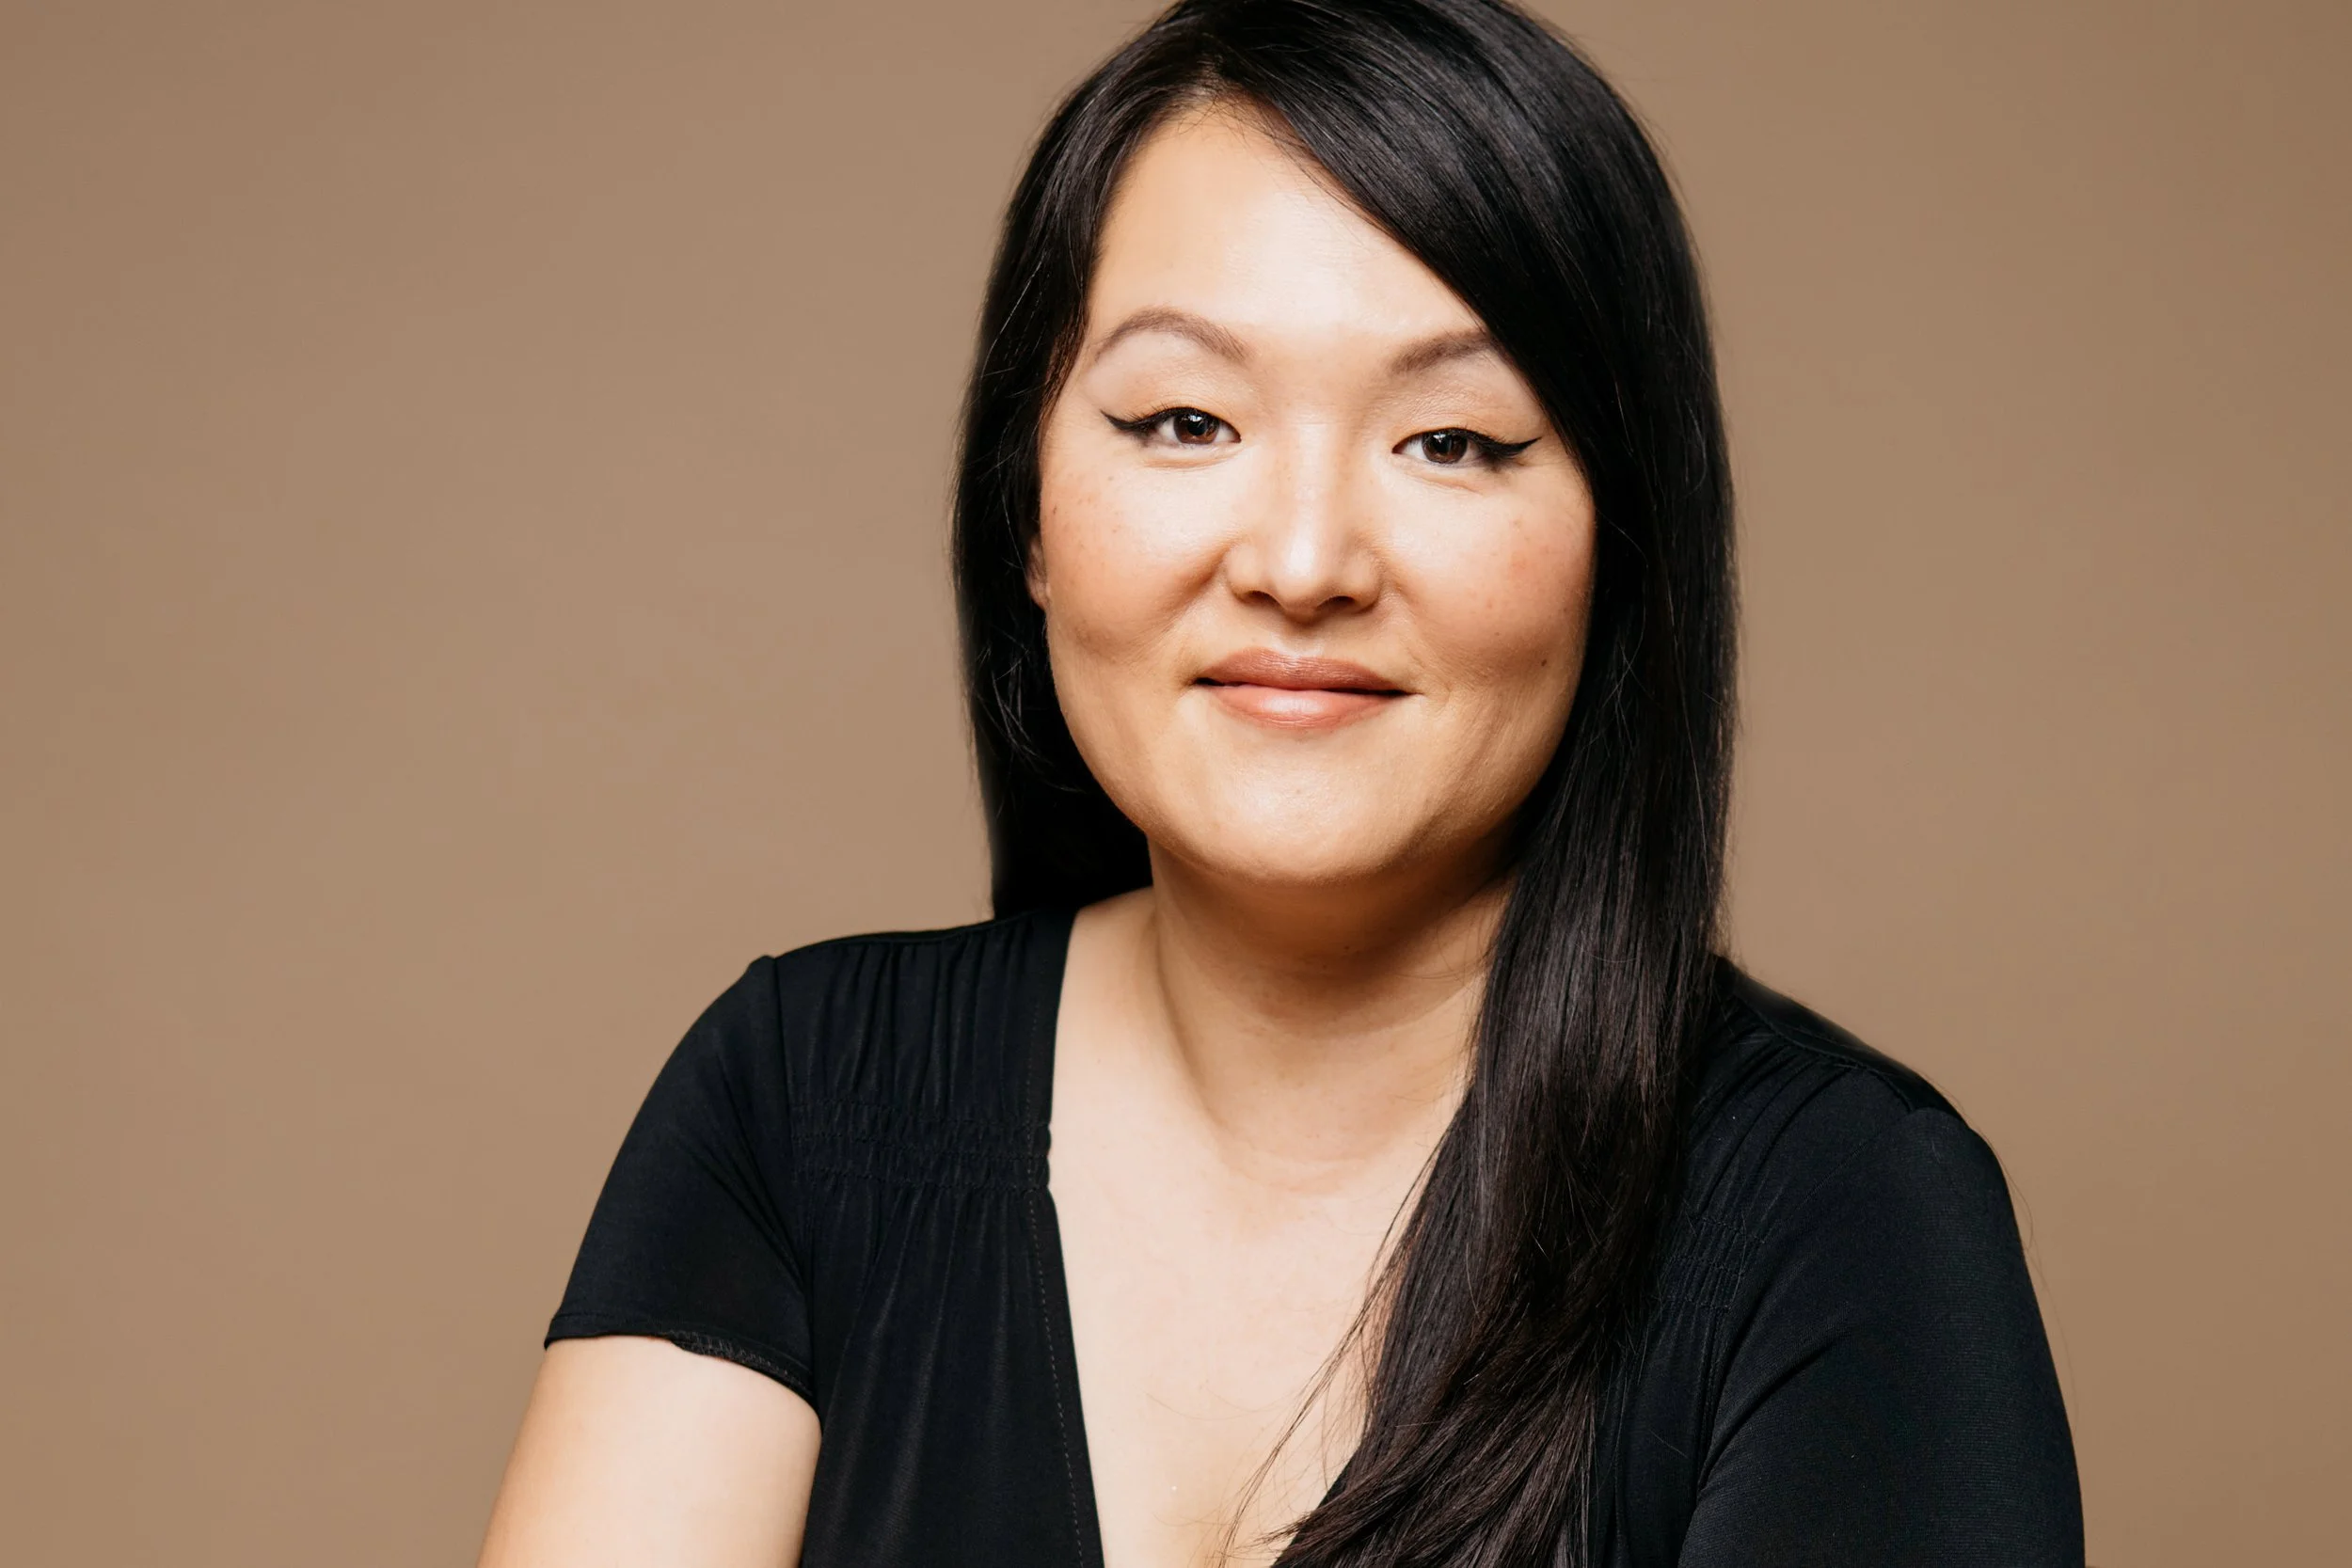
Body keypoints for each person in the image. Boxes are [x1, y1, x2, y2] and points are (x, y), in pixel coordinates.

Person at [476, 2, 2082, 1563]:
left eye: (1452, 440)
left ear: (1625, 546)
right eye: (1186, 419)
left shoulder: (1845, 1214)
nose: (1304, 561)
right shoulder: (795, 1107)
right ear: (1027, 509)